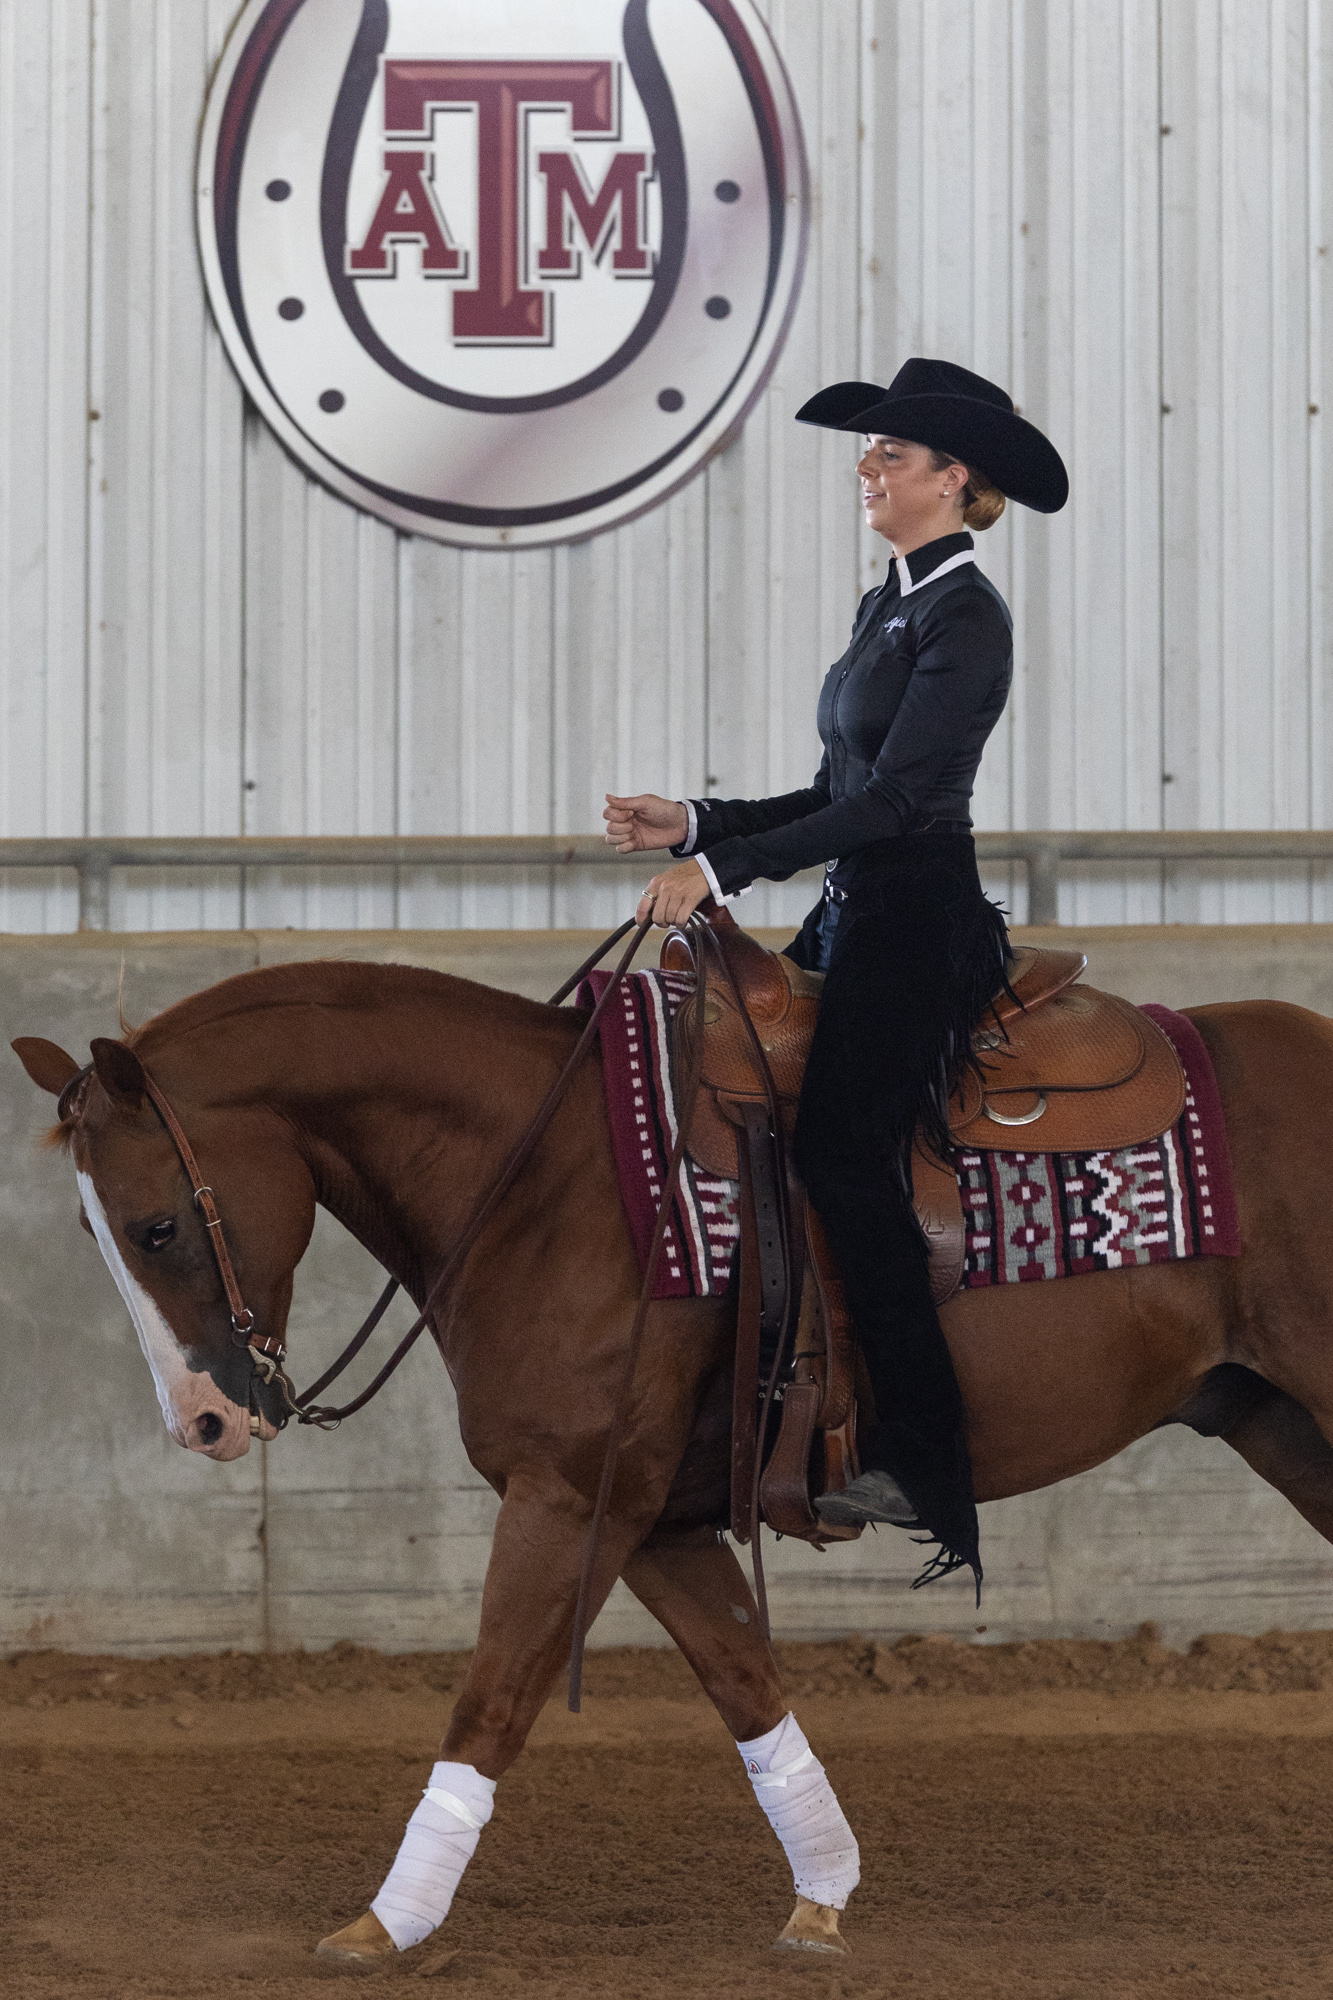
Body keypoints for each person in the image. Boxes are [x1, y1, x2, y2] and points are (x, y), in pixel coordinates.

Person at [603, 357, 1068, 1590]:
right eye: (866, 453)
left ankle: (921, 1451)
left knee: (844, 1160)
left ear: (953, 479)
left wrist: (730, 875)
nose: (866, 467)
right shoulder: (893, 604)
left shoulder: (968, 616)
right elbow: (837, 790)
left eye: (889, 455)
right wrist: (697, 821)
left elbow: (903, 799)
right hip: (854, 916)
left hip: (916, 925)